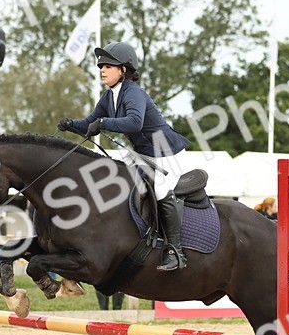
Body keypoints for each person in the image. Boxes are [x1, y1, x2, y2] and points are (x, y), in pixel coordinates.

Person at [58, 41, 191, 272]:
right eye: (101, 65)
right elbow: (90, 124)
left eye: (108, 65)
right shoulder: (109, 97)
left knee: (160, 190)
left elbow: (134, 122)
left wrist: (104, 123)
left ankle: (175, 252)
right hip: (143, 154)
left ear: (124, 70)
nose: (102, 69)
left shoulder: (134, 93)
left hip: (167, 153)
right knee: (115, 180)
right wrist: (71, 125)